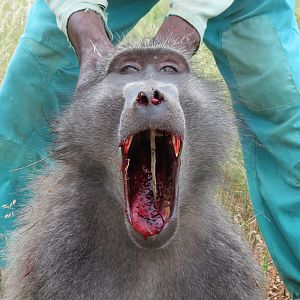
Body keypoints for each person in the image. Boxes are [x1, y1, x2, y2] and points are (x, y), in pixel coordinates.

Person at [0, 0, 300, 298]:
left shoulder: (226, 264)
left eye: (170, 69)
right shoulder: (51, 252)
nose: (149, 91)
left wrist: (189, 19)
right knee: (33, 81)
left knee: (284, 105)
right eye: (128, 69)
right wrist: (84, 31)